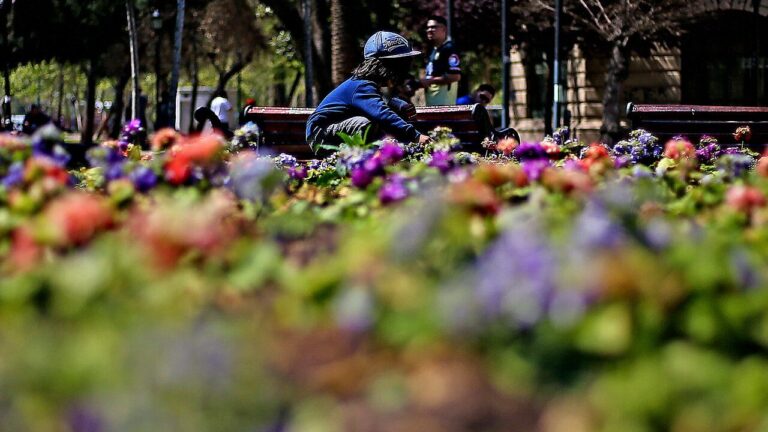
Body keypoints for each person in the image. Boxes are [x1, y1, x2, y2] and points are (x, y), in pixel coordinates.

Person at [306, 31, 432, 148]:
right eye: (401, 63)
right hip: (320, 133)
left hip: (333, 128)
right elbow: (382, 114)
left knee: (395, 109)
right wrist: (416, 136)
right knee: (364, 124)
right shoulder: (362, 86)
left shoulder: (367, 85)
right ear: (384, 65)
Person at [421, 15, 462, 106]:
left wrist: (430, 81)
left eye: (433, 27)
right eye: (428, 28)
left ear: (443, 29)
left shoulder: (449, 48)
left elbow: (455, 76)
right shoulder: (433, 50)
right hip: (432, 104)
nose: (429, 30)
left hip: (444, 106)